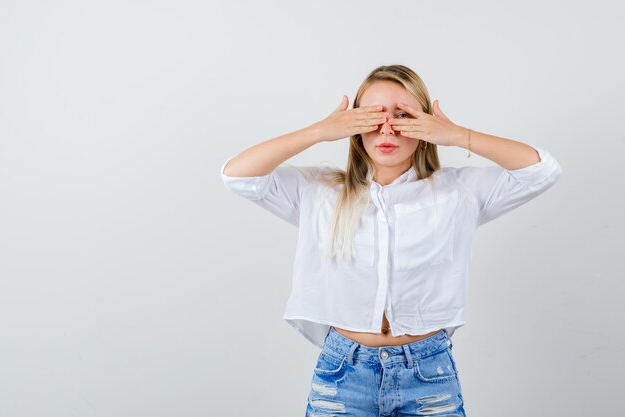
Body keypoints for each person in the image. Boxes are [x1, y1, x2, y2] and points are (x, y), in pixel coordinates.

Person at [220, 64, 562, 416]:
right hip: (343, 374)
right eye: (372, 116)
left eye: (403, 116)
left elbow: (541, 171)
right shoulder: (320, 192)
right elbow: (237, 175)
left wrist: (458, 135)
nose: (387, 128)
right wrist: (321, 131)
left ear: (424, 124)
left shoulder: (457, 192)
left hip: (428, 374)